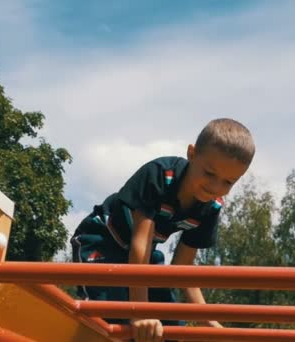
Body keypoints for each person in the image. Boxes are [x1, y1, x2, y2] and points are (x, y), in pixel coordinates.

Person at [71, 118, 255, 342]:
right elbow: (140, 245)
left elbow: (183, 268)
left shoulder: (210, 207)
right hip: (103, 242)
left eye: (228, 182)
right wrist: (139, 312)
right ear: (192, 154)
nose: (215, 187)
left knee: (172, 325)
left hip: (145, 261)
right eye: (209, 173)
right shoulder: (160, 176)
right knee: (110, 317)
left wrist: (209, 321)